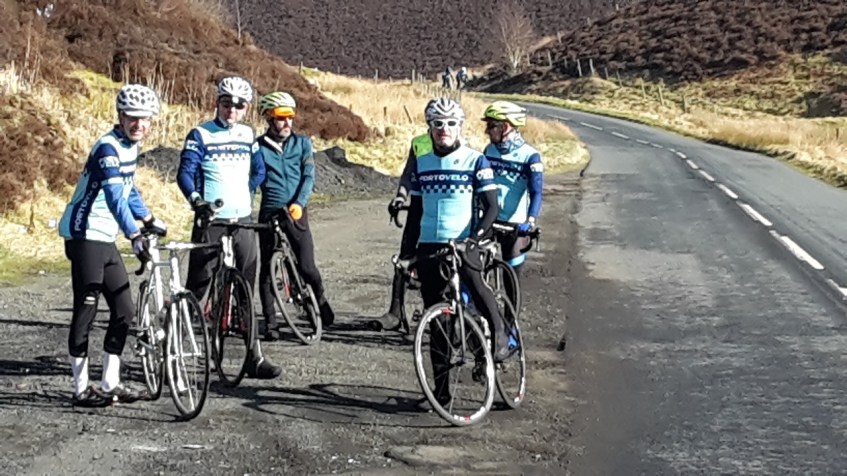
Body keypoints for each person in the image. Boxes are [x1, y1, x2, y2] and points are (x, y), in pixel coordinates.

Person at [59, 84, 167, 406]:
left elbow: (129, 189)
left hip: (105, 237)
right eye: (132, 118)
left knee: (124, 310)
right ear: (120, 116)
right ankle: (80, 388)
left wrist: (148, 218)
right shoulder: (107, 148)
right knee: (86, 309)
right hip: (85, 235)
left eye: (145, 119)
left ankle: (110, 382)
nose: (139, 125)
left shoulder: (130, 147)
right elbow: (114, 197)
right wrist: (134, 234)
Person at [409, 97, 514, 406]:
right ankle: (440, 392)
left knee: (476, 286)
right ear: (429, 127)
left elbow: (492, 208)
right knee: (437, 323)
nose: (444, 129)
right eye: (438, 124)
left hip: (465, 242)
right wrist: (406, 253)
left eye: (451, 123)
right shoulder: (422, 162)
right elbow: (414, 214)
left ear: (460, 127)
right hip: (430, 246)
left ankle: (500, 338)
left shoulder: (475, 161)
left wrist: (474, 240)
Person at [176, 76, 280, 379]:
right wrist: (198, 202)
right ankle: (174, 347)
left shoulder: (247, 134)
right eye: (226, 103)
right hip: (212, 221)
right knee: (199, 286)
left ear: (246, 108)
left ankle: (254, 357)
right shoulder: (200, 134)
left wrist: (246, 191)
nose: (232, 109)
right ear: (217, 103)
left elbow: (259, 170)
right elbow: (185, 174)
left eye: (239, 105)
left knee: (246, 290)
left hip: (242, 220)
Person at [253, 91, 335, 341]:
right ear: (269, 118)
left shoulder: (303, 144)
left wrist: (300, 202)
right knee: (267, 269)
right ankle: (271, 322)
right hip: (270, 212)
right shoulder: (257, 147)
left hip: (296, 212)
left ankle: (319, 297)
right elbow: (251, 178)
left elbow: (309, 176)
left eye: (290, 117)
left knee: (307, 266)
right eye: (281, 117)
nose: (287, 122)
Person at [378, 100, 436, 330]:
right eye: (434, 121)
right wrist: (400, 197)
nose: (440, 126)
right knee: (404, 257)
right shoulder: (419, 143)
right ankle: (394, 312)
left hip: (444, 205)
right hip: (419, 204)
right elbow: (408, 174)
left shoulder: (457, 143)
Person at [481, 101, 543, 282]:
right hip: (489, 219)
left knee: (511, 280)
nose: (486, 131)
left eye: (491, 126)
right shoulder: (489, 150)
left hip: (515, 224)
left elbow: (536, 192)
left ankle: (512, 302)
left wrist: (530, 220)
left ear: (505, 127)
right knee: (473, 272)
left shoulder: (530, 156)